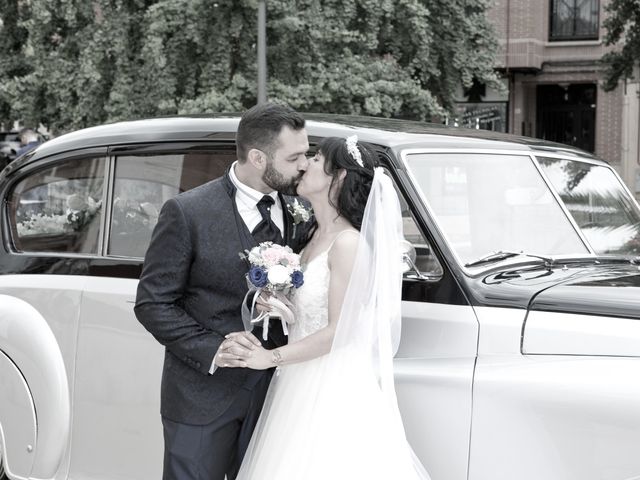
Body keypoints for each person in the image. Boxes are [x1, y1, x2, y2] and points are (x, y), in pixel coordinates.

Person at [228, 136, 431, 479]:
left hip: (330, 385)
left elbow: (339, 331)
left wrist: (270, 358)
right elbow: (307, 310)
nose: (305, 164)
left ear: (338, 177)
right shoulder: (309, 237)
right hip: (297, 379)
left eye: (317, 158)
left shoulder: (347, 244)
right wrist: (274, 301)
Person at [134, 102, 313, 480]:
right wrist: (214, 349)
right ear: (257, 157)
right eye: (294, 156)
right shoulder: (187, 212)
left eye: (306, 154)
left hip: (278, 400)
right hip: (202, 397)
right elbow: (153, 304)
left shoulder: (303, 209)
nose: (304, 165)